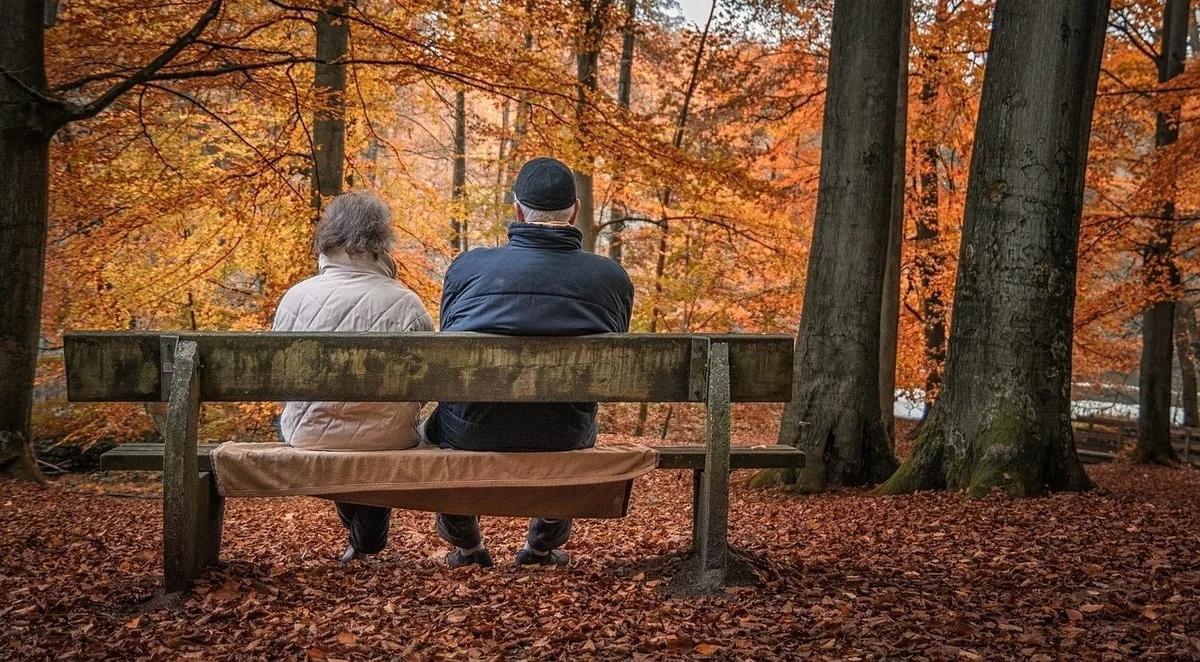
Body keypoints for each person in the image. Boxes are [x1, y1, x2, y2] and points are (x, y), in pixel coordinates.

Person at [424, 156, 635, 568]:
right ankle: (541, 547)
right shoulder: (610, 279)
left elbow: (449, 341)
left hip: (471, 430)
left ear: (518, 210)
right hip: (563, 432)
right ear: (574, 211)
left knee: (439, 425)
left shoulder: (468, 268)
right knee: (569, 422)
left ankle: (467, 546)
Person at [273, 190, 433, 563]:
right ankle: (367, 540)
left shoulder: (295, 298)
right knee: (376, 435)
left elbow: (282, 381)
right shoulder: (405, 302)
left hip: (308, 433)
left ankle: (364, 541)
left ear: (329, 238)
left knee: (340, 436)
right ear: (381, 241)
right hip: (389, 436)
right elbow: (426, 383)